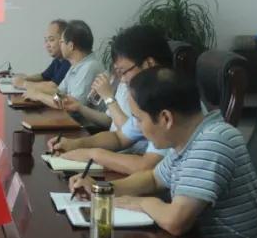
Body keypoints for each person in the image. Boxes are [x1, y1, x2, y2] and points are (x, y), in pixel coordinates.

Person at [69, 67, 257, 238]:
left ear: (166, 118)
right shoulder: (188, 139)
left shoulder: (213, 141)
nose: (137, 128)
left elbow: (176, 221)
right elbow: (153, 179)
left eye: (139, 119)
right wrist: (101, 189)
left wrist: (141, 203)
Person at [48, 25, 173, 175]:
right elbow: (119, 137)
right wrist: (75, 144)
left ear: (149, 64)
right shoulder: (148, 96)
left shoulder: (169, 99)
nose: (123, 80)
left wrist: (93, 155)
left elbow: (146, 166)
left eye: (123, 71)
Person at [24, 20, 104, 106]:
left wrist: (39, 95)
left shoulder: (89, 68)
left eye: (61, 42)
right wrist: (36, 92)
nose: (59, 44)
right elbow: (60, 93)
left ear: (71, 46)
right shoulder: (76, 66)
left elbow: (71, 105)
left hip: (79, 115)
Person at [12, 19, 70, 88]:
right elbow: (43, 76)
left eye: (51, 40)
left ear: (63, 40)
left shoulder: (69, 61)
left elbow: (53, 86)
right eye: (46, 40)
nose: (47, 45)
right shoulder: (58, 60)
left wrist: (23, 84)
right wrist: (25, 78)